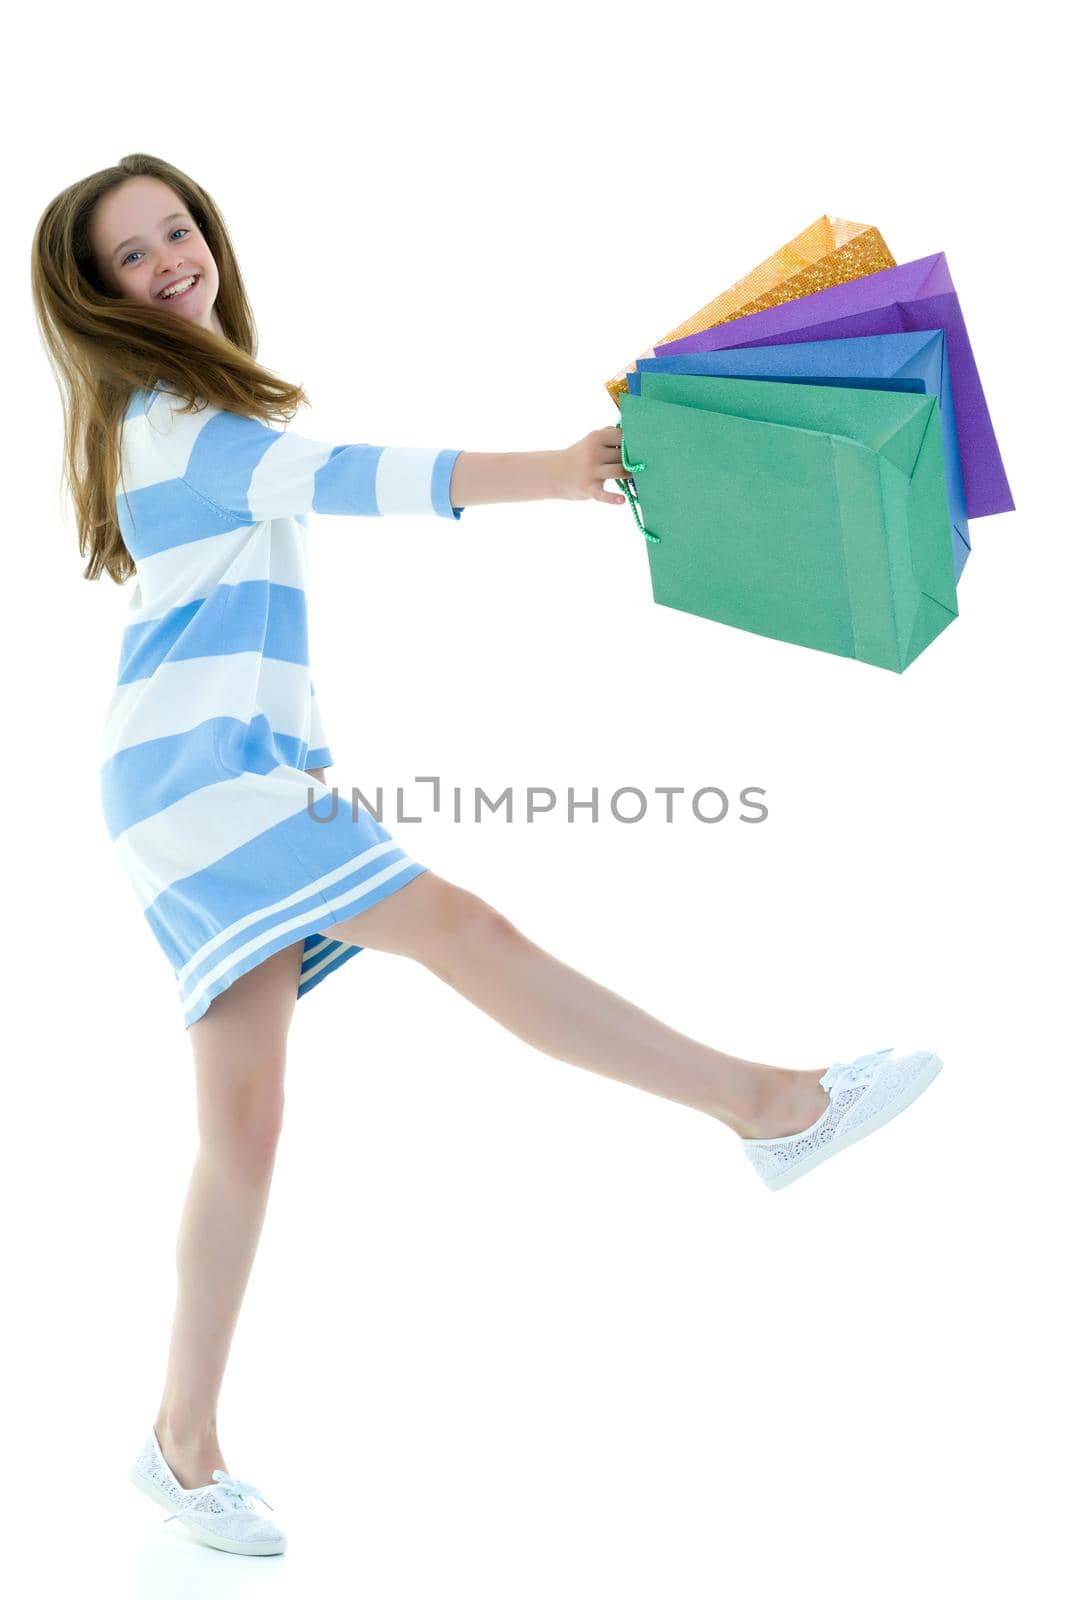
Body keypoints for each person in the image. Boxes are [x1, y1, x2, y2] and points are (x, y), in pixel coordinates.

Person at [30, 152, 942, 1559]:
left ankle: (178, 1445)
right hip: (196, 778)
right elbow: (350, 482)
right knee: (461, 931)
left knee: (246, 1127)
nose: (174, 261)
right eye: (135, 256)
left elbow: (246, 608)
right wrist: (560, 472)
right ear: (97, 299)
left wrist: (310, 749)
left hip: (219, 771)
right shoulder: (179, 418)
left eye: (180, 230)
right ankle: (768, 1105)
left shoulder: (181, 410)